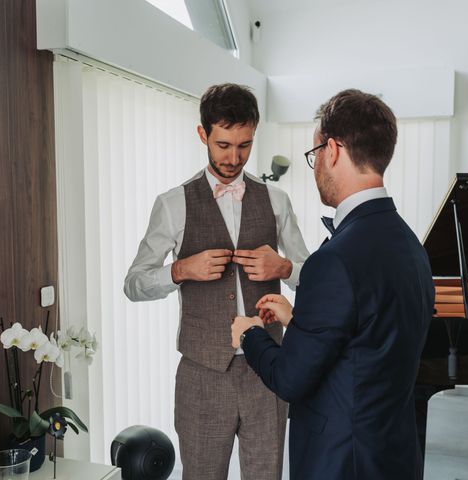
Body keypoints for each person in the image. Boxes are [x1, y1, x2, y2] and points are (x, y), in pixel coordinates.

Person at [231, 89, 435, 480]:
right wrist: (300, 319)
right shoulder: (410, 243)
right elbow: (368, 340)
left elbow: (289, 378)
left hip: (342, 462)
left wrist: (250, 334)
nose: (315, 168)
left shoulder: (335, 260)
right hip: (394, 454)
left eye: (315, 155)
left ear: (334, 150)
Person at [124, 83, 309, 480]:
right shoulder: (172, 204)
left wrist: (283, 269)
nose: (234, 157)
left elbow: (312, 277)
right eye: (223, 144)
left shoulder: (277, 202)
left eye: (244, 145)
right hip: (203, 375)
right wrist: (180, 270)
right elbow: (134, 283)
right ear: (202, 134)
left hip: (269, 371)